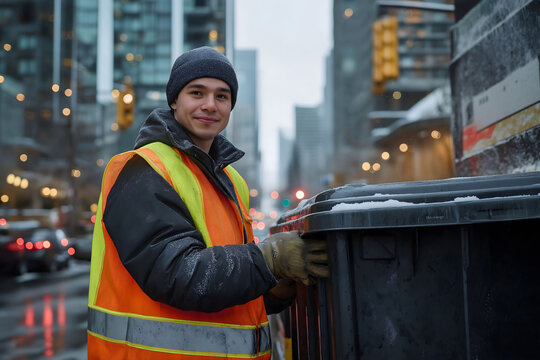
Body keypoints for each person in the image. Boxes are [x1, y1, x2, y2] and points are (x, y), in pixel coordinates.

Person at [87, 46, 328, 359]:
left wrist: (274, 286)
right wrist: (268, 259)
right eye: (197, 93)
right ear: (174, 100)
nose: (210, 105)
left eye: (222, 96)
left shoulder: (232, 182)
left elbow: (228, 289)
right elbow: (176, 275)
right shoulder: (142, 169)